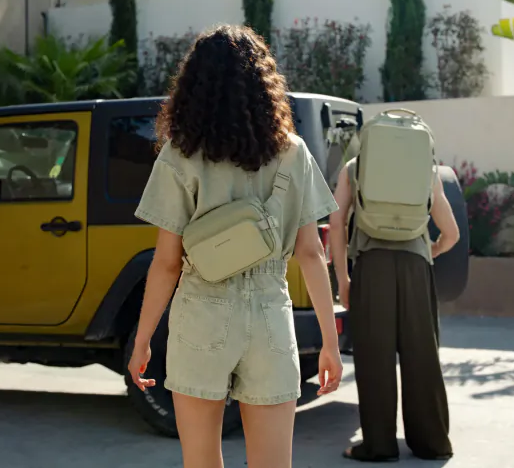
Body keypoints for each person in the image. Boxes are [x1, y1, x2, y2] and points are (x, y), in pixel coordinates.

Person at [126, 25, 343, 468]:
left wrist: (143, 339)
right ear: (265, 86)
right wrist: (328, 342)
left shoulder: (178, 155)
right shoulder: (294, 153)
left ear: (194, 86)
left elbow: (167, 264)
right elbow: (309, 253)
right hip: (269, 314)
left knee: (201, 461)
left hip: (201, 312)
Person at [330, 155, 460, 462]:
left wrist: (343, 278)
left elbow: (336, 223)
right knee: (422, 353)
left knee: (375, 356)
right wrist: (434, 248)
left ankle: (378, 445)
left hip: (371, 265)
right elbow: (451, 232)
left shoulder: (353, 167)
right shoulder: (425, 168)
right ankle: (432, 443)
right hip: (416, 265)